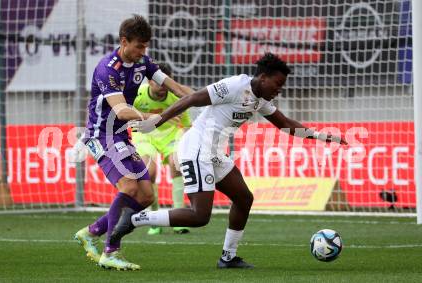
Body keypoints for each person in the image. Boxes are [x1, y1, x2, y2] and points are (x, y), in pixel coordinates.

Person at [110, 53, 348, 269]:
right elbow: (192, 98)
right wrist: (159, 120)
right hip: (196, 149)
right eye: (277, 84)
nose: (279, 89)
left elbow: (285, 124)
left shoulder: (260, 100)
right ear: (263, 77)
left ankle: (228, 257)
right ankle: (135, 218)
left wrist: (320, 136)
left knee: (244, 198)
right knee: (200, 216)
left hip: (214, 153)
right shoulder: (235, 85)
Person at [73, 15, 192, 271]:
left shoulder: (144, 63)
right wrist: (157, 118)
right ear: (124, 41)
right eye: (138, 46)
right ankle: (110, 251)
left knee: (147, 196)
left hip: (121, 136)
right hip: (100, 135)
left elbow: (175, 87)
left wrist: (207, 99)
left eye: (145, 46)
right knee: (128, 187)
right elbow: (122, 111)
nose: (143, 52)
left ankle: (91, 232)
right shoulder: (107, 69)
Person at [132, 63, 192, 235]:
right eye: (159, 83)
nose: (164, 87)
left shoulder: (176, 97)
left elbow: (187, 125)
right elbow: (123, 113)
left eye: (167, 83)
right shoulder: (138, 95)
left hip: (170, 136)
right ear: (150, 82)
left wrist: (183, 143)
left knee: (177, 163)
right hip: (145, 135)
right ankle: (154, 218)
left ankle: (178, 219)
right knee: (148, 172)